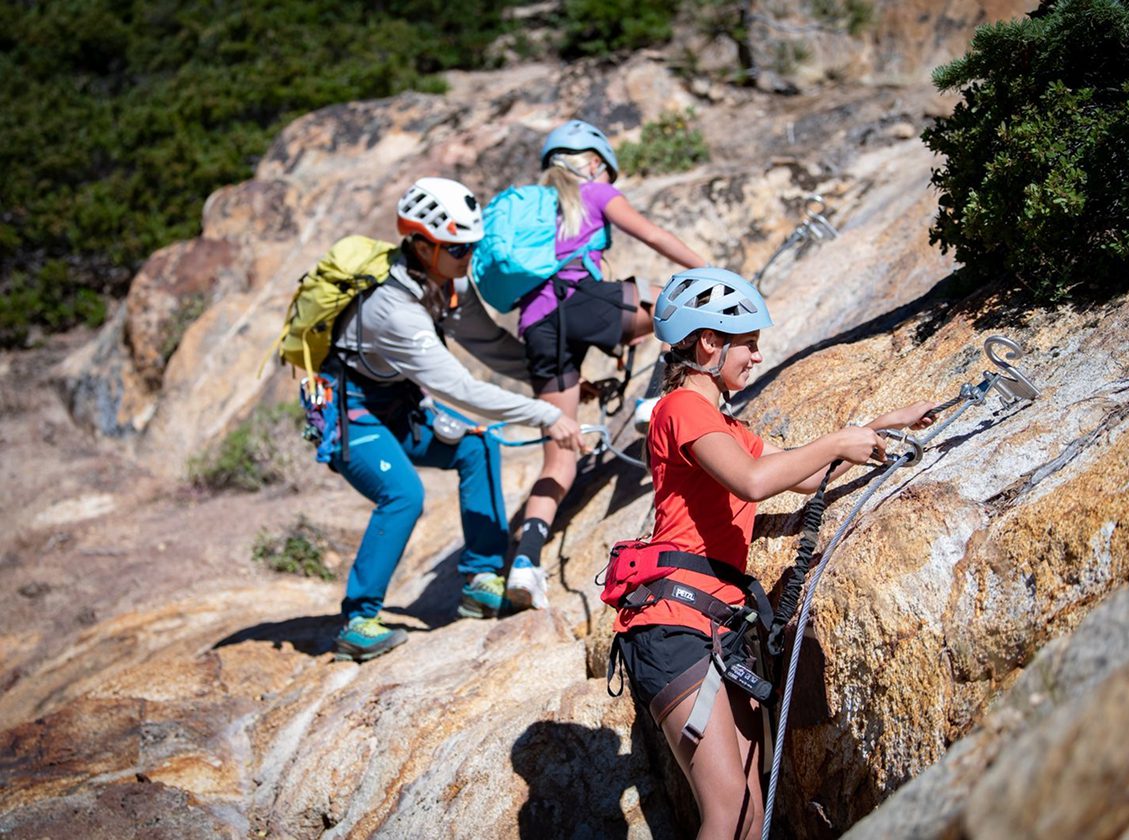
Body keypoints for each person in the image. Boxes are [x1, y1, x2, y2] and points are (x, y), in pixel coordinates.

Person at [612, 267, 937, 838]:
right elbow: (754, 482)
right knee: (727, 806)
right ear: (708, 342)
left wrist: (882, 426)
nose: (757, 357)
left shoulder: (722, 424)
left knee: (749, 812)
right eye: (749, 344)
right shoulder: (682, 409)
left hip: (705, 625)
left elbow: (797, 473)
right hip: (675, 627)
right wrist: (837, 441)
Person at [315, 177, 585, 663]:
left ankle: (481, 581)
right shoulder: (393, 310)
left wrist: (557, 377)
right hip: (351, 412)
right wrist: (547, 412)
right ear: (421, 244)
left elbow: (491, 345)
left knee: (478, 443)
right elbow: (459, 388)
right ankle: (358, 621)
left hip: (395, 403)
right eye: (457, 248)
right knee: (402, 495)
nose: (468, 258)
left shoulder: (446, 282)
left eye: (471, 247)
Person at [505, 119, 707, 611]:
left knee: (559, 456)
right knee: (674, 303)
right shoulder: (591, 190)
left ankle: (525, 563)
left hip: (536, 321)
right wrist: (708, 271)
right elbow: (652, 234)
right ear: (593, 160)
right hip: (578, 298)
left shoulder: (532, 206)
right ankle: (655, 402)